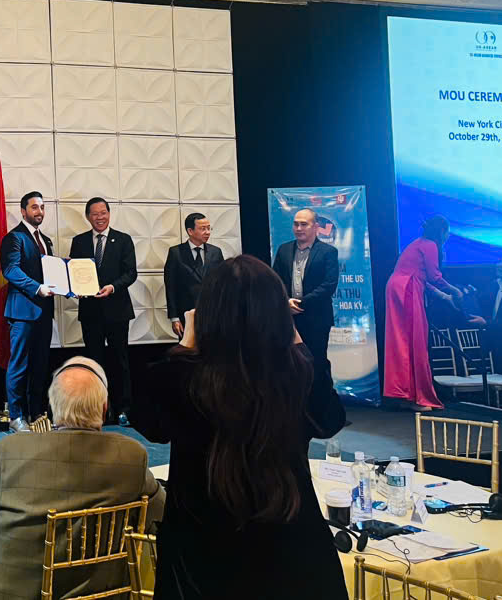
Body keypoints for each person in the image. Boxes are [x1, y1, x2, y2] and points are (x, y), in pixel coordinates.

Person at [133, 255, 347, 600]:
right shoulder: (296, 374)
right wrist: (296, 338)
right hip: (292, 548)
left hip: (202, 556)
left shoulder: (184, 379)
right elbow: (329, 420)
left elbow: (147, 419)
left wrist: (186, 343)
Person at [0, 356, 165, 600]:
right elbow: (159, 514)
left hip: (4, 591)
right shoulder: (130, 457)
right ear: (105, 408)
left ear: (53, 408)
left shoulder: (12, 451)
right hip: (99, 593)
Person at [383, 215, 465, 411]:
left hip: (400, 288)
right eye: (447, 232)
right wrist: (455, 291)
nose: (447, 236)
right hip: (406, 290)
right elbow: (434, 276)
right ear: (442, 232)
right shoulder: (430, 245)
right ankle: (415, 396)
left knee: (404, 342)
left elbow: (423, 279)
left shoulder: (418, 244)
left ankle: (406, 394)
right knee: (413, 342)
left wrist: (445, 297)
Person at [69, 197, 137, 424]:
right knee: (93, 362)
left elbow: (131, 273)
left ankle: (123, 408)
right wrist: (74, 289)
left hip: (117, 310)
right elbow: (74, 272)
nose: (100, 217)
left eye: (103, 213)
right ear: (88, 217)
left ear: (109, 213)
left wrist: (113, 287)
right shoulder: (79, 241)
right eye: (95, 214)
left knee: (120, 361)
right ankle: (98, 409)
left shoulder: (124, 240)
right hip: (90, 312)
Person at [0, 191, 54, 433]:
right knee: (19, 365)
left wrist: (69, 285)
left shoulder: (46, 240)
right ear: (23, 211)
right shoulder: (14, 238)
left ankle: (36, 414)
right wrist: (37, 288)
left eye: (42, 207)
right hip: (22, 313)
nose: (39, 211)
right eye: (34, 207)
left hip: (44, 312)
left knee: (40, 366)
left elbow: (51, 274)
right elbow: (10, 270)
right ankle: (16, 416)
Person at [273, 208, 340, 368]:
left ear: (316, 227)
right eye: (296, 224)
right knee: (290, 363)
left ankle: (322, 386)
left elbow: (329, 285)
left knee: (317, 363)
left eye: (304, 224)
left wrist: (300, 303)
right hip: (289, 317)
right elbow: (275, 281)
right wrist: (286, 301)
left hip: (317, 318)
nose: (299, 228)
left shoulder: (328, 252)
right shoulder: (284, 250)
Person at [163, 212, 223, 340]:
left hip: (212, 313)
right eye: (203, 229)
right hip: (186, 313)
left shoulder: (216, 252)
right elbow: (171, 287)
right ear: (190, 231)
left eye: (209, 228)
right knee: (189, 349)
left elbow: (222, 284)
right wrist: (174, 318)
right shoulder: (176, 253)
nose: (207, 232)